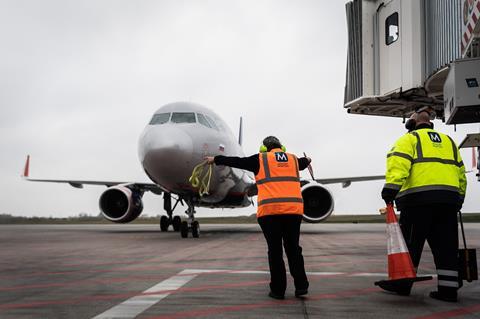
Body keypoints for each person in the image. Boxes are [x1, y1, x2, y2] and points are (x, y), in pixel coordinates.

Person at [205, 136, 311, 299]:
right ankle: (301, 286)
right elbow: (305, 162)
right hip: (293, 212)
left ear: (264, 149)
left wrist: (216, 159)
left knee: (275, 252)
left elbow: (237, 162)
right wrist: (308, 159)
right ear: (281, 147)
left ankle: (278, 290)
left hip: (271, 213)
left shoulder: (259, 159)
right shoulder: (293, 160)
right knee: (293, 249)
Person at [380, 107, 467, 302]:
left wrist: (390, 190)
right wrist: (459, 199)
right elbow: (461, 174)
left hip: (417, 203)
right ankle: (448, 290)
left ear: (411, 124)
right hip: (447, 203)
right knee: (446, 248)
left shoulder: (409, 140)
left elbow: (398, 166)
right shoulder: (448, 142)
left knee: (411, 245)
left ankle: (402, 285)